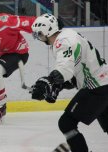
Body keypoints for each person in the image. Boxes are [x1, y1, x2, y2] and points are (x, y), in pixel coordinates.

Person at [30, 13, 108, 152]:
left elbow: (64, 69)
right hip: (103, 82)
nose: (39, 38)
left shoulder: (63, 42)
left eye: (40, 34)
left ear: (48, 31)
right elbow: (76, 69)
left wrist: (47, 82)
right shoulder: (68, 34)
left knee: (66, 123)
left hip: (97, 87)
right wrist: (58, 85)